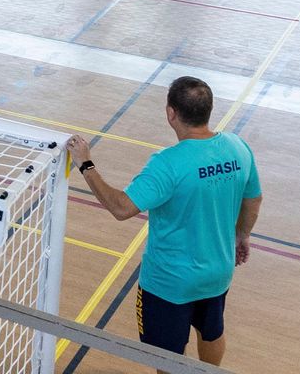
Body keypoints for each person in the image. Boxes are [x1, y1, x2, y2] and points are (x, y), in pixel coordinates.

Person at [67, 76, 263, 369]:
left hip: (169, 283)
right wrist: (241, 235)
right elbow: (254, 199)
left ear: (171, 113)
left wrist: (86, 164)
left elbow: (122, 208)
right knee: (212, 332)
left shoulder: (167, 163)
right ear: (208, 110)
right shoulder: (238, 147)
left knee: (166, 356)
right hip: (217, 272)